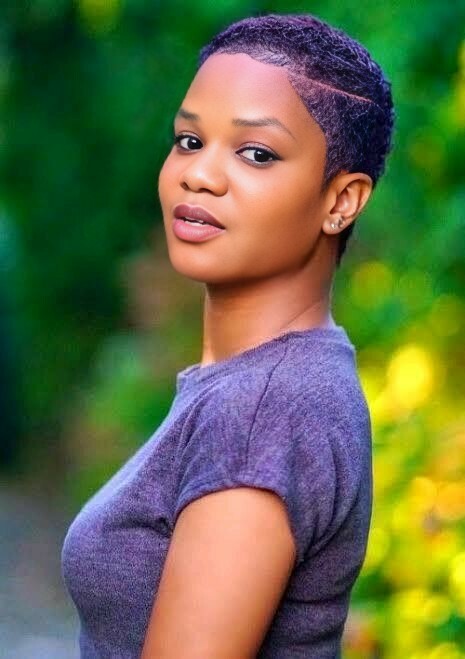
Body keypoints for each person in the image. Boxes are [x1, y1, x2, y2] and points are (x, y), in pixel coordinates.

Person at [62, 12, 394, 658]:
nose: (200, 174)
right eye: (189, 141)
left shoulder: (262, 409)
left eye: (256, 153)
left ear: (340, 201)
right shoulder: (283, 380)